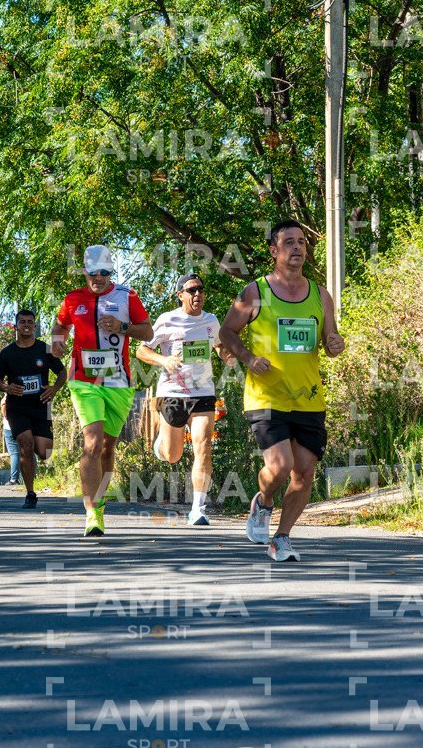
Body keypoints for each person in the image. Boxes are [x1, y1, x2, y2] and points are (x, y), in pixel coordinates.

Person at [218, 220, 346, 562]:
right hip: (266, 395)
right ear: (274, 251)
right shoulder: (255, 292)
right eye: (288, 242)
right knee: (280, 466)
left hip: (308, 396)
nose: (297, 247)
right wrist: (246, 357)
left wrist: (336, 344)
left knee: (303, 473)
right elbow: (226, 332)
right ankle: (263, 502)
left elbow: (330, 343)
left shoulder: (321, 295)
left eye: (302, 242)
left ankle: (282, 538)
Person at [51, 244, 152, 536]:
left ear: (111, 273)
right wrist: (56, 343)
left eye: (105, 273)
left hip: (118, 382)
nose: (99, 278)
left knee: (108, 449)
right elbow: (60, 328)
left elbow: (148, 332)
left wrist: (122, 327)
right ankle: (91, 513)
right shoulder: (72, 299)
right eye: (93, 273)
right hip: (84, 381)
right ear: (85, 271)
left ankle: (101, 503)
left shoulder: (127, 296)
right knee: (92, 444)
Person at [135, 273, 235, 526]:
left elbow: (219, 345)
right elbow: (141, 350)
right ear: (180, 295)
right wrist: (164, 360)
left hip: (203, 393)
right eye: (191, 290)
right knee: (172, 455)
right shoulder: (167, 320)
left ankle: (198, 509)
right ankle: (162, 444)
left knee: (203, 445)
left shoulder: (211, 321)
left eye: (200, 289)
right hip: (173, 394)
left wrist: (232, 359)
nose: (197, 294)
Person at [0, 310, 66, 509]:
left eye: (30, 322)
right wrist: (6, 388)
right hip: (18, 407)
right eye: (22, 322)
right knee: (25, 443)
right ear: (15, 326)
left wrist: (54, 389)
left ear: (34, 326)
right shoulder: (7, 352)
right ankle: (30, 493)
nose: (26, 325)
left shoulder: (45, 349)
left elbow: (62, 372)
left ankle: (33, 452)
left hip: (41, 405)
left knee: (44, 452)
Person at [0, 395, 21, 486]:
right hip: (24, 426)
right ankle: (33, 476)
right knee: (29, 451)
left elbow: (3, 403)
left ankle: (14, 479)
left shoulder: (8, 395)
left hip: (10, 428)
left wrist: (6, 416)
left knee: (14, 454)